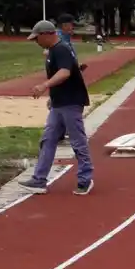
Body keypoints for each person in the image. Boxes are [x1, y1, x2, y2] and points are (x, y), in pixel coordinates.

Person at [25, 19, 94, 196]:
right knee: (48, 139)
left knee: (77, 141)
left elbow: (65, 72)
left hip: (71, 102)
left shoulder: (61, 49)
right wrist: (52, 97)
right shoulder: (53, 50)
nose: (36, 42)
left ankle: (85, 179)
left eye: (37, 38)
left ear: (46, 34)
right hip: (59, 102)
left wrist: (44, 86)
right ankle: (39, 180)